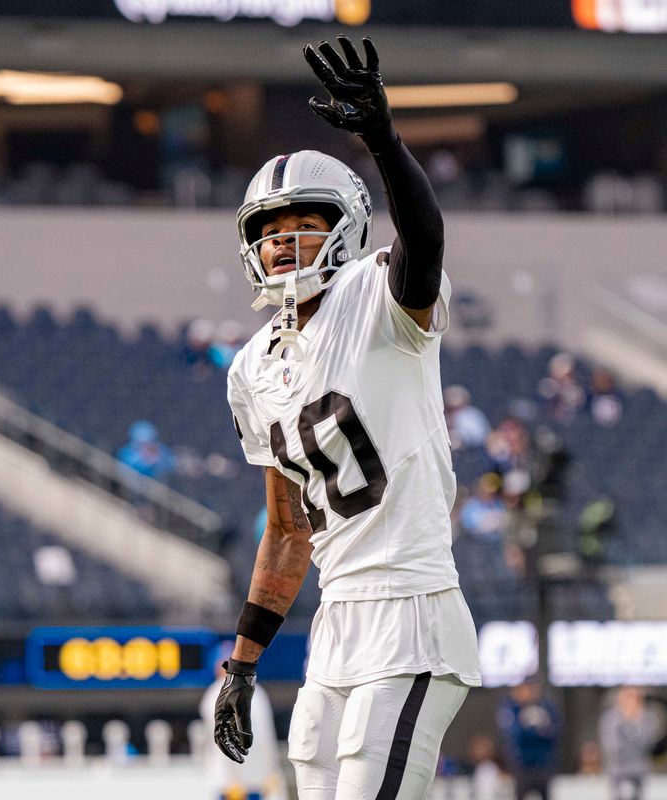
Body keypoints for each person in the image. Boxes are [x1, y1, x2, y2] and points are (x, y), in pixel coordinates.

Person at [213, 36, 482, 800]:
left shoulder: (380, 299)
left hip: (414, 608)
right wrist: (242, 661)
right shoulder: (251, 368)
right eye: (266, 229)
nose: (281, 239)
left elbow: (425, 240)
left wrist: (382, 140)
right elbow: (288, 529)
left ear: (347, 224)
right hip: (336, 621)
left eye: (300, 221)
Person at [201, 647, 283, 800]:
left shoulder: (256, 692)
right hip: (229, 783)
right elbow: (219, 739)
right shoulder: (216, 693)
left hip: (254, 780)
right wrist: (230, 778)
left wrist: (271, 771)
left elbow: (266, 738)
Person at [497, 680, 561, 800]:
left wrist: (533, 731)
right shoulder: (512, 708)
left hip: (543, 765)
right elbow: (514, 734)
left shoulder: (547, 707)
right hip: (522, 767)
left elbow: (555, 733)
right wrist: (536, 731)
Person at [599, 687, 659, 800]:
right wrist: (623, 719)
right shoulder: (610, 718)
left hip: (639, 768)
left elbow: (649, 743)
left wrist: (636, 722)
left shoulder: (647, 718)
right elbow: (611, 746)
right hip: (617, 769)